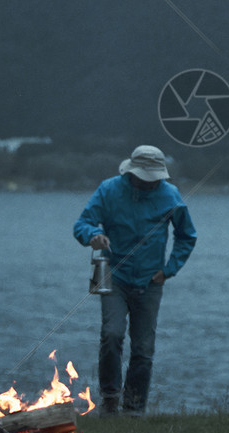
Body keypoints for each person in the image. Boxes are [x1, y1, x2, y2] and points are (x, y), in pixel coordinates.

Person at [74, 145, 196, 415]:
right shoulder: (108, 190)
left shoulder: (171, 195)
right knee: (111, 334)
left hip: (151, 280)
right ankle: (109, 399)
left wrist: (169, 269)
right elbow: (82, 224)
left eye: (153, 179)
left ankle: (134, 407)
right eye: (144, 177)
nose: (148, 183)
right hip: (110, 272)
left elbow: (187, 235)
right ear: (131, 172)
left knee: (143, 346)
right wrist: (92, 235)